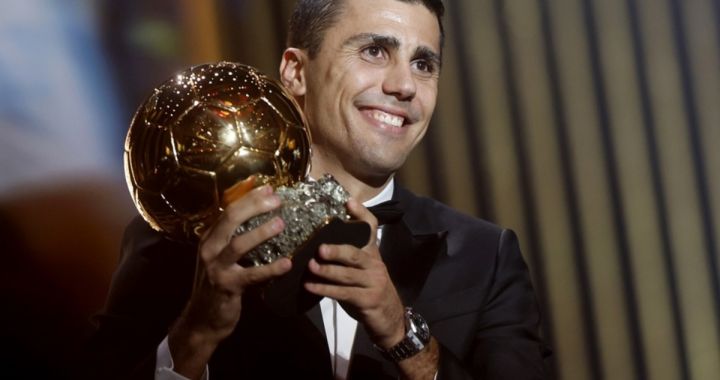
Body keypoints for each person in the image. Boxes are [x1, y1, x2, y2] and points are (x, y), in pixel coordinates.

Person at [88, 0, 551, 379]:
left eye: (423, 64)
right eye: (374, 51)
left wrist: (401, 333)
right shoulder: (183, 238)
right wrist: (198, 332)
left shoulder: (485, 256)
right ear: (295, 72)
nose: (405, 85)